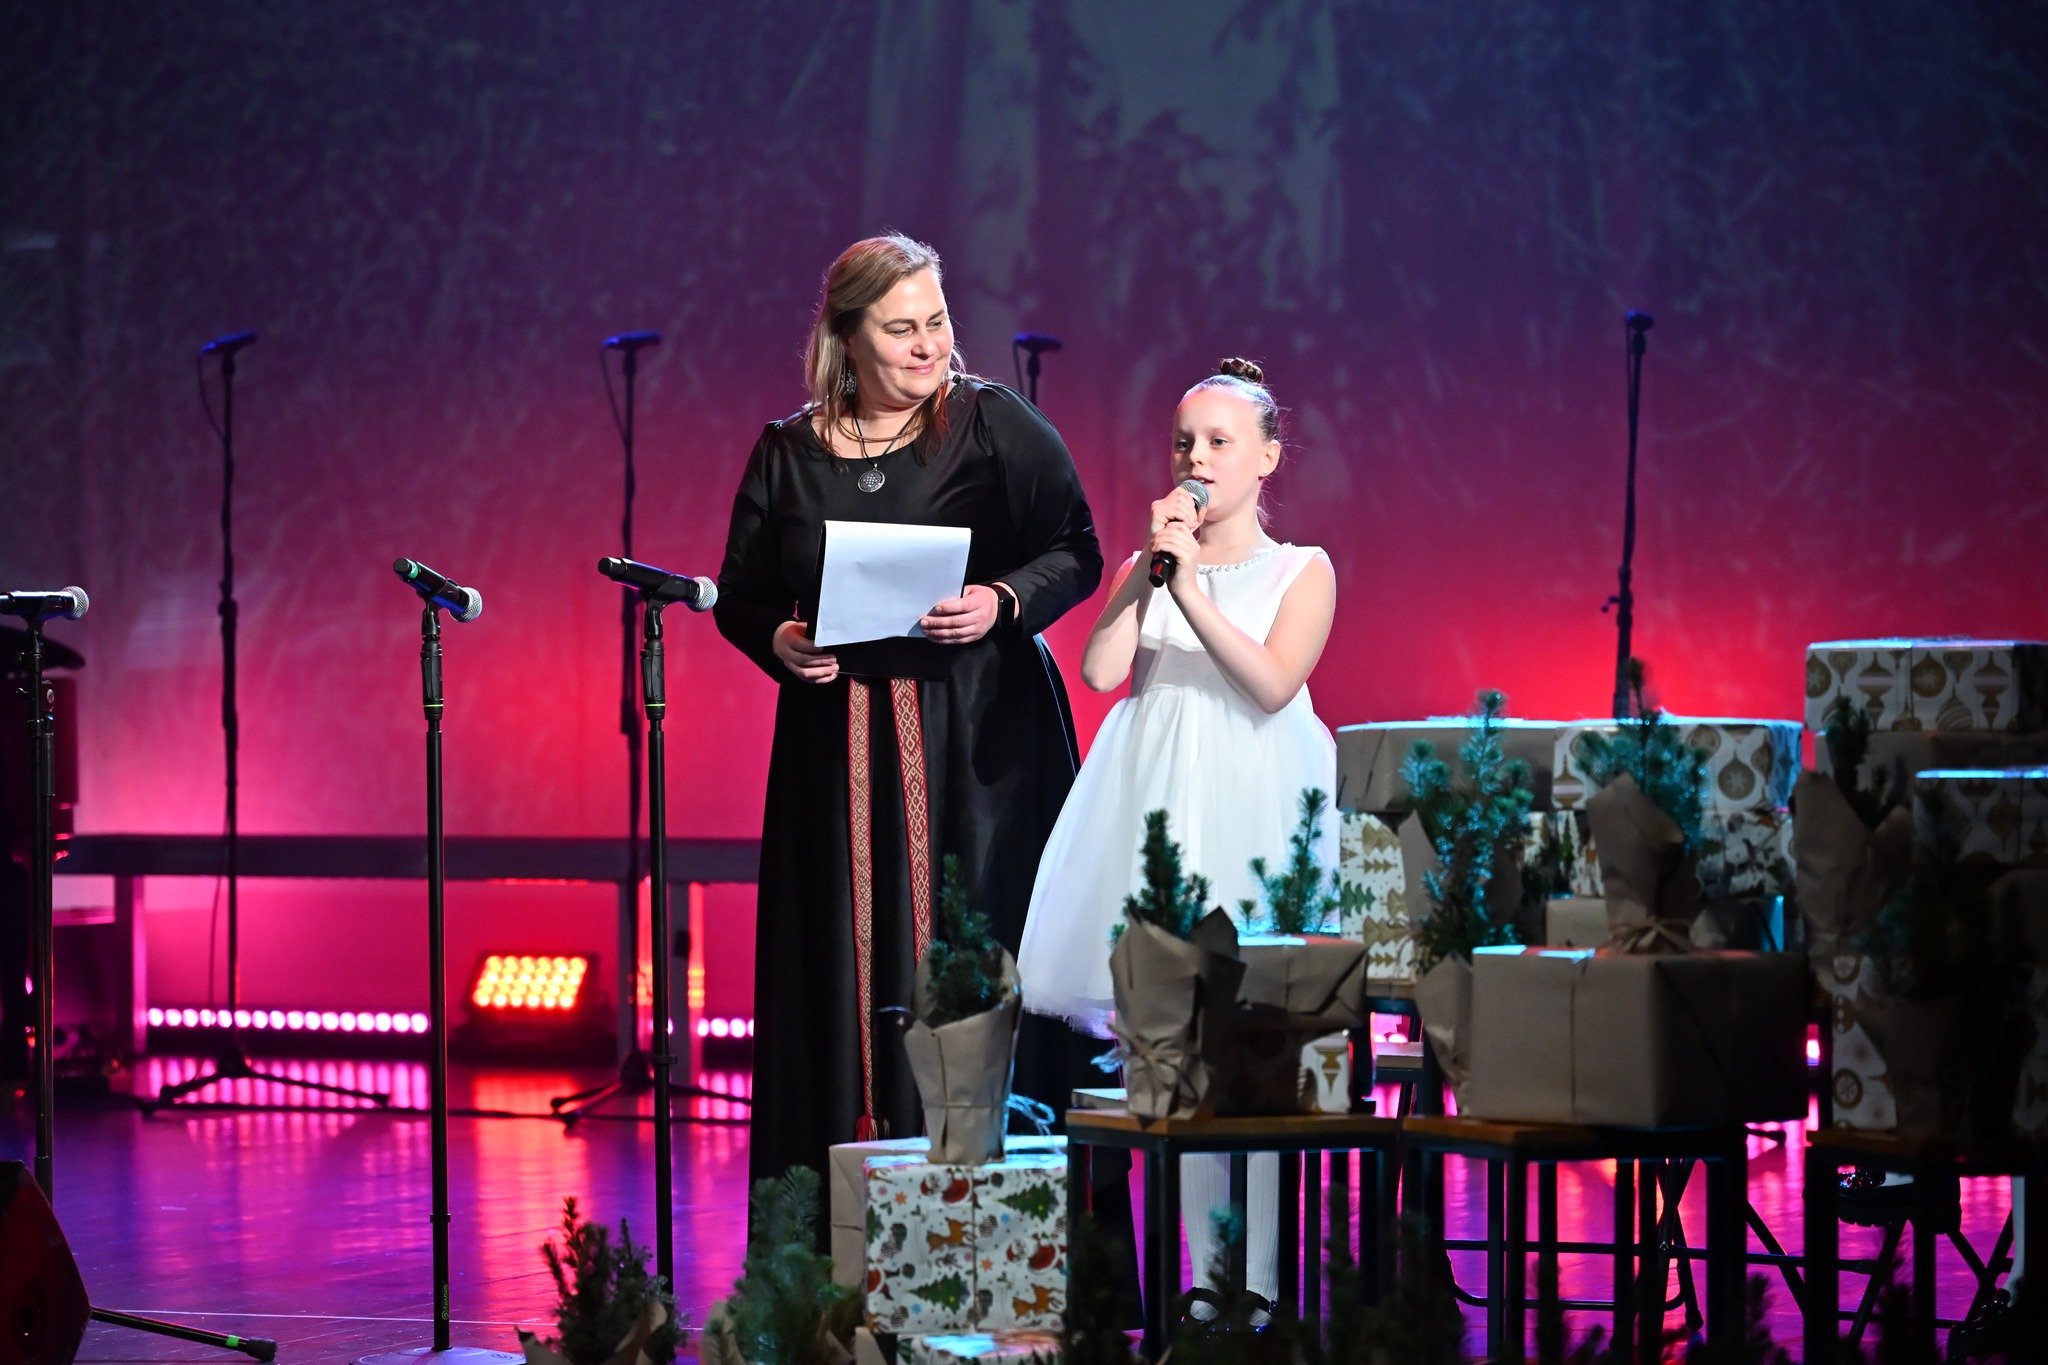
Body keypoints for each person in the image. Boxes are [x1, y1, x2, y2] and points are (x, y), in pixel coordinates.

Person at [714, 234, 1102, 1202]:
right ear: (845, 338)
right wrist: (778, 638)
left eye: (936, 321)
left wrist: (1001, 601)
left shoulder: (991, 424)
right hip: (833, 748)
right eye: (900, 329)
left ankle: (1000, 1213)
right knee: (841, 972)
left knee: (973, 948)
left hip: (976, 746)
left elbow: (1075, 549)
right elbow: (741, 595)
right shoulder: (786, 452)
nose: (928, 345)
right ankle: (836, 1236)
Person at [1016, 357, 1337, 1314]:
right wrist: (1146, 578)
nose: (1197, 458)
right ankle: (1205, 1273)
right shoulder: (1150, 569)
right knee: (1178, 1040)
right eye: (1184, 442)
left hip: (1252, 806)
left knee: (1256, 1034)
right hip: (1158, 810)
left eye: (1219, 441)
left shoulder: (1301, 569)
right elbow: (1101, 669)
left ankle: (1265, 1278)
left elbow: (1273, 684)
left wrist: (1190, 589)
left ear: (1266, 457)